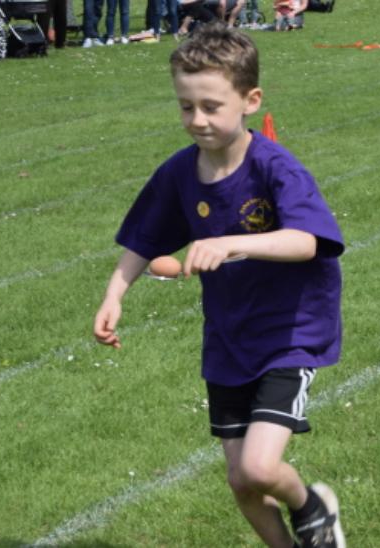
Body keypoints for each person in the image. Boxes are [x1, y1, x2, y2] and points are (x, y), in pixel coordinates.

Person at [93, 21, 346, 548]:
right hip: (229, 340)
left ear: (251, 101)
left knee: (259, 466)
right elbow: (143, 239)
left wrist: (232, 243)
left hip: (289, 334)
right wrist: (115, 294)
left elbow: (307, 240)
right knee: (240, 483)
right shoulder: (179, 173)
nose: (197, 120)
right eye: (186, 106)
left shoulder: (275, 167)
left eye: (211, 106)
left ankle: (312, 507)